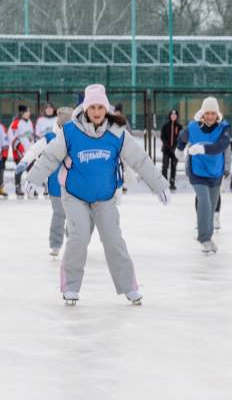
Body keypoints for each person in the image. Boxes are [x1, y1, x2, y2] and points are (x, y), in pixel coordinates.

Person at [23, 84, 170, 305]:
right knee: (79, 236)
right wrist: (34, 178)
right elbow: (51, 156)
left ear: (106, 108)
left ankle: (129, 287)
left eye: (101, 107)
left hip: (105, 196)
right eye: (93, 107)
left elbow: (139, 159)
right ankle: (71, 287)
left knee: (113, 239)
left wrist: (159, 185)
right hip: (75, 195)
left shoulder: (116, 133)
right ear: (85, 108)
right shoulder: (71, 131)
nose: (97, 111)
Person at [14, 106, 74, 255]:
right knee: (59, 214)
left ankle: (74, 241)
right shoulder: (49, 138)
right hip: (55, 184)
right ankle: (55, 244)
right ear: (59, 123)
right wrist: (24, 162)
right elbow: (35, 150)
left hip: (75, 185)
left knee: (75, 216)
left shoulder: (77, 138)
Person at [177, 97, 231, 254]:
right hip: (197, 172)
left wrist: (203, 150)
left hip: (215, 173)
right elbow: (181, 136)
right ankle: (203, 238)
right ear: (202, 113)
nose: (210, 116)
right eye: (207, 113)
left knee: (213, 206)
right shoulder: (193, 127)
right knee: (205, 202)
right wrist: (180, 150)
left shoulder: (224, 128)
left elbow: (221, 146)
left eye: (213, 113)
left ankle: (208, 236)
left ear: (217, 114)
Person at [7, 105, 34, 197]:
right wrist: (18, 147)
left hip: (29, 151)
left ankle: (30, 188)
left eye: (29, 111)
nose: (29, 113)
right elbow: (11, 135)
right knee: (20, 170)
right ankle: (18, 187)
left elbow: (31, 135)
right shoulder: (16, 122)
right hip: (19, 152)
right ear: (22, 112)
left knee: (31, 170)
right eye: (27, 111)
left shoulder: (29, 122)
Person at [160, 109, 182, 191]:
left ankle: (172, 183)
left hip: (175, 151)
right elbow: (163, 137)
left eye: (175, 115)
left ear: (177, 116)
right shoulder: (165, 126)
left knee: (173, 167)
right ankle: (164, 183)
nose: (173, 117)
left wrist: (175, 147)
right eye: (172, 115)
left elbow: (180, 138)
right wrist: (168, 146)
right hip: (166, 150)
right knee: (165, 166)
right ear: (170, 116)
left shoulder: (179, 127)